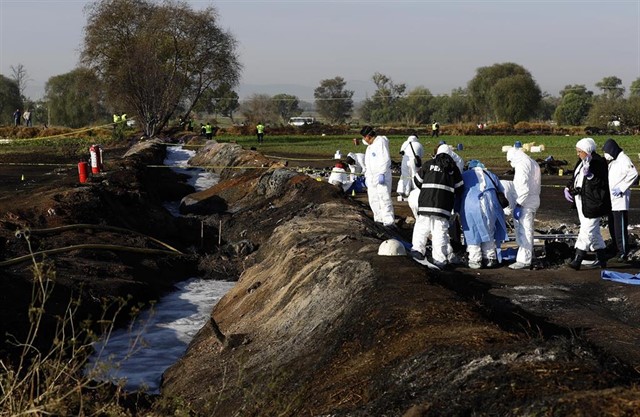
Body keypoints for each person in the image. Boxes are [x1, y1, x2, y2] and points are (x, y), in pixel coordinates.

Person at [409, 145, 464, 269]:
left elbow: (417, 181)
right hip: (443, 207)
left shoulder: (429, 164)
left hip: (425, 203)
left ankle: (417, 250)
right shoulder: (453, 168)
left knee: (422, 227)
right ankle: (439, 259)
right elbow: (460, 187)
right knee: (439, 232)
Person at [563, 138, 610, 270]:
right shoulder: (581, 162)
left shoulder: (598, 162)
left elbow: (600, 183)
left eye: (579, 151)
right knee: (593, 232)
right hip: (582, 201)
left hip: (593, 202)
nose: (577, 154)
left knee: (587, 230)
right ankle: (602, 259)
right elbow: (575, 176)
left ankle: (578, 259)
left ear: (586, 150)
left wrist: (590, 175)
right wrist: (568, 187)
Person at [459, 160, 508, 269]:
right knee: (489, 230)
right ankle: (490, 258)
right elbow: (501, 190)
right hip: (491, 204)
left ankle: (475, 260)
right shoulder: (491, 175)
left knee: (472, 232)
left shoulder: (465, 175)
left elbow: (458, 192)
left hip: (471, 204)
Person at [506, 145, 541, 269]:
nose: (510, 164)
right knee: (528, 229)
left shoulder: (522, 165)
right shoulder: (532, 162)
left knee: (524, 230)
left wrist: (519, 204)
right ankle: (528, 256)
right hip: (533, 199)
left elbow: (524, 188)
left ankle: (524, 260)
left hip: (525, 202)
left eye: (510, 161)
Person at [602, 138, 637, 262]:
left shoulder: (624, 159)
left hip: (620, 199)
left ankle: (623, 252)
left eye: (607, 152)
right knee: (612, 225)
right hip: (613, 199)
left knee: (620, 227)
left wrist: (621, 188)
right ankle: (616, 248)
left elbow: (634, 174)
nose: (606, 155)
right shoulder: (614, 161)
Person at [360, 125, 394, 227]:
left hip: (381, 177)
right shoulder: (370, 147)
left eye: (363, 137)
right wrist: (367, 177)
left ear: (368, 136)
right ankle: (378, 220)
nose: (363, 140)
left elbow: (385, 159)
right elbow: (368, 164)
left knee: (384, 199)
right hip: (371, 178)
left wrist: (382, 173)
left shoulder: (381, 142)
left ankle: (388, 222)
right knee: (373, 199)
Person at [396, 133, 424, 201]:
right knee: (415, 176)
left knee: (405, 176)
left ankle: (403, 191)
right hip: (414, 162)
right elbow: (421, 155)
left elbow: (401, 152)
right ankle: (415, 192)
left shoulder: (405, 143)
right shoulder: (419, 144)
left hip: (405, 161)